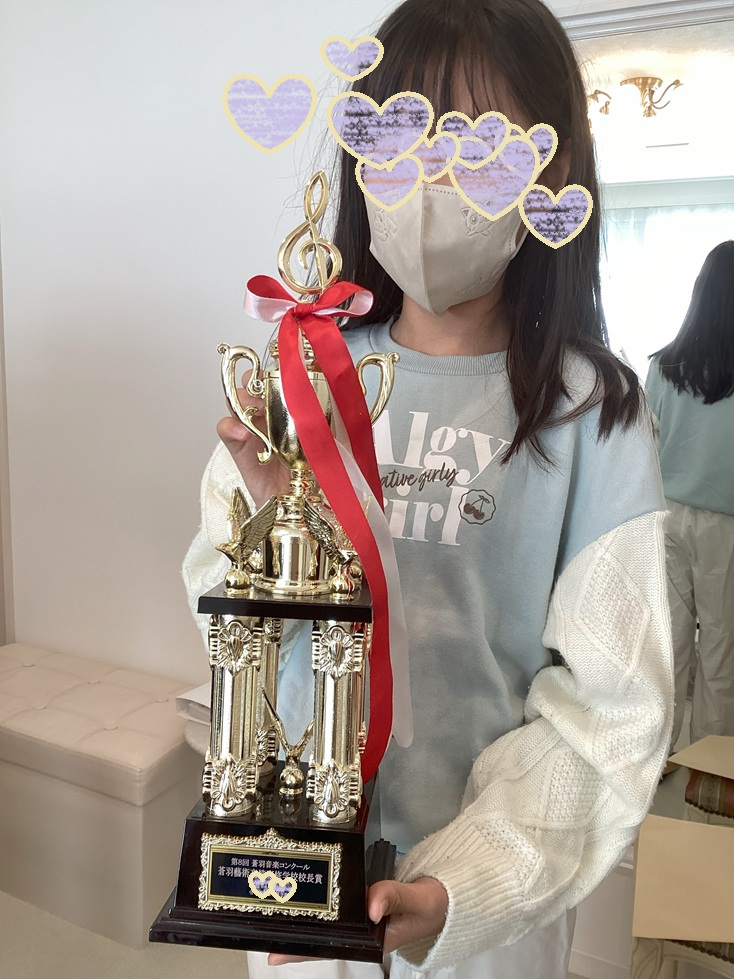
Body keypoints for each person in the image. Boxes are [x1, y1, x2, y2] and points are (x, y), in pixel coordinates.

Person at [183, 1, 674, 976]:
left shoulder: (594, 413)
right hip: (299, 880)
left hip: (483, 921)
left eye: (477, 146)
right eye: (401, 137)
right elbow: (221, 615)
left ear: (551, 175)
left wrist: (463, 881)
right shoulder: (300, 375)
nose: (430, 180)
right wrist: (278, 548)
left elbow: (610, 708)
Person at [645, 240, 734, 750]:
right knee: (721, 650)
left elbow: (649, 445)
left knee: (668, 645)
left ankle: (658, 756)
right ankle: (709, 764)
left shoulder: (663, 367)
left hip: (668, 517)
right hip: (726, 526)